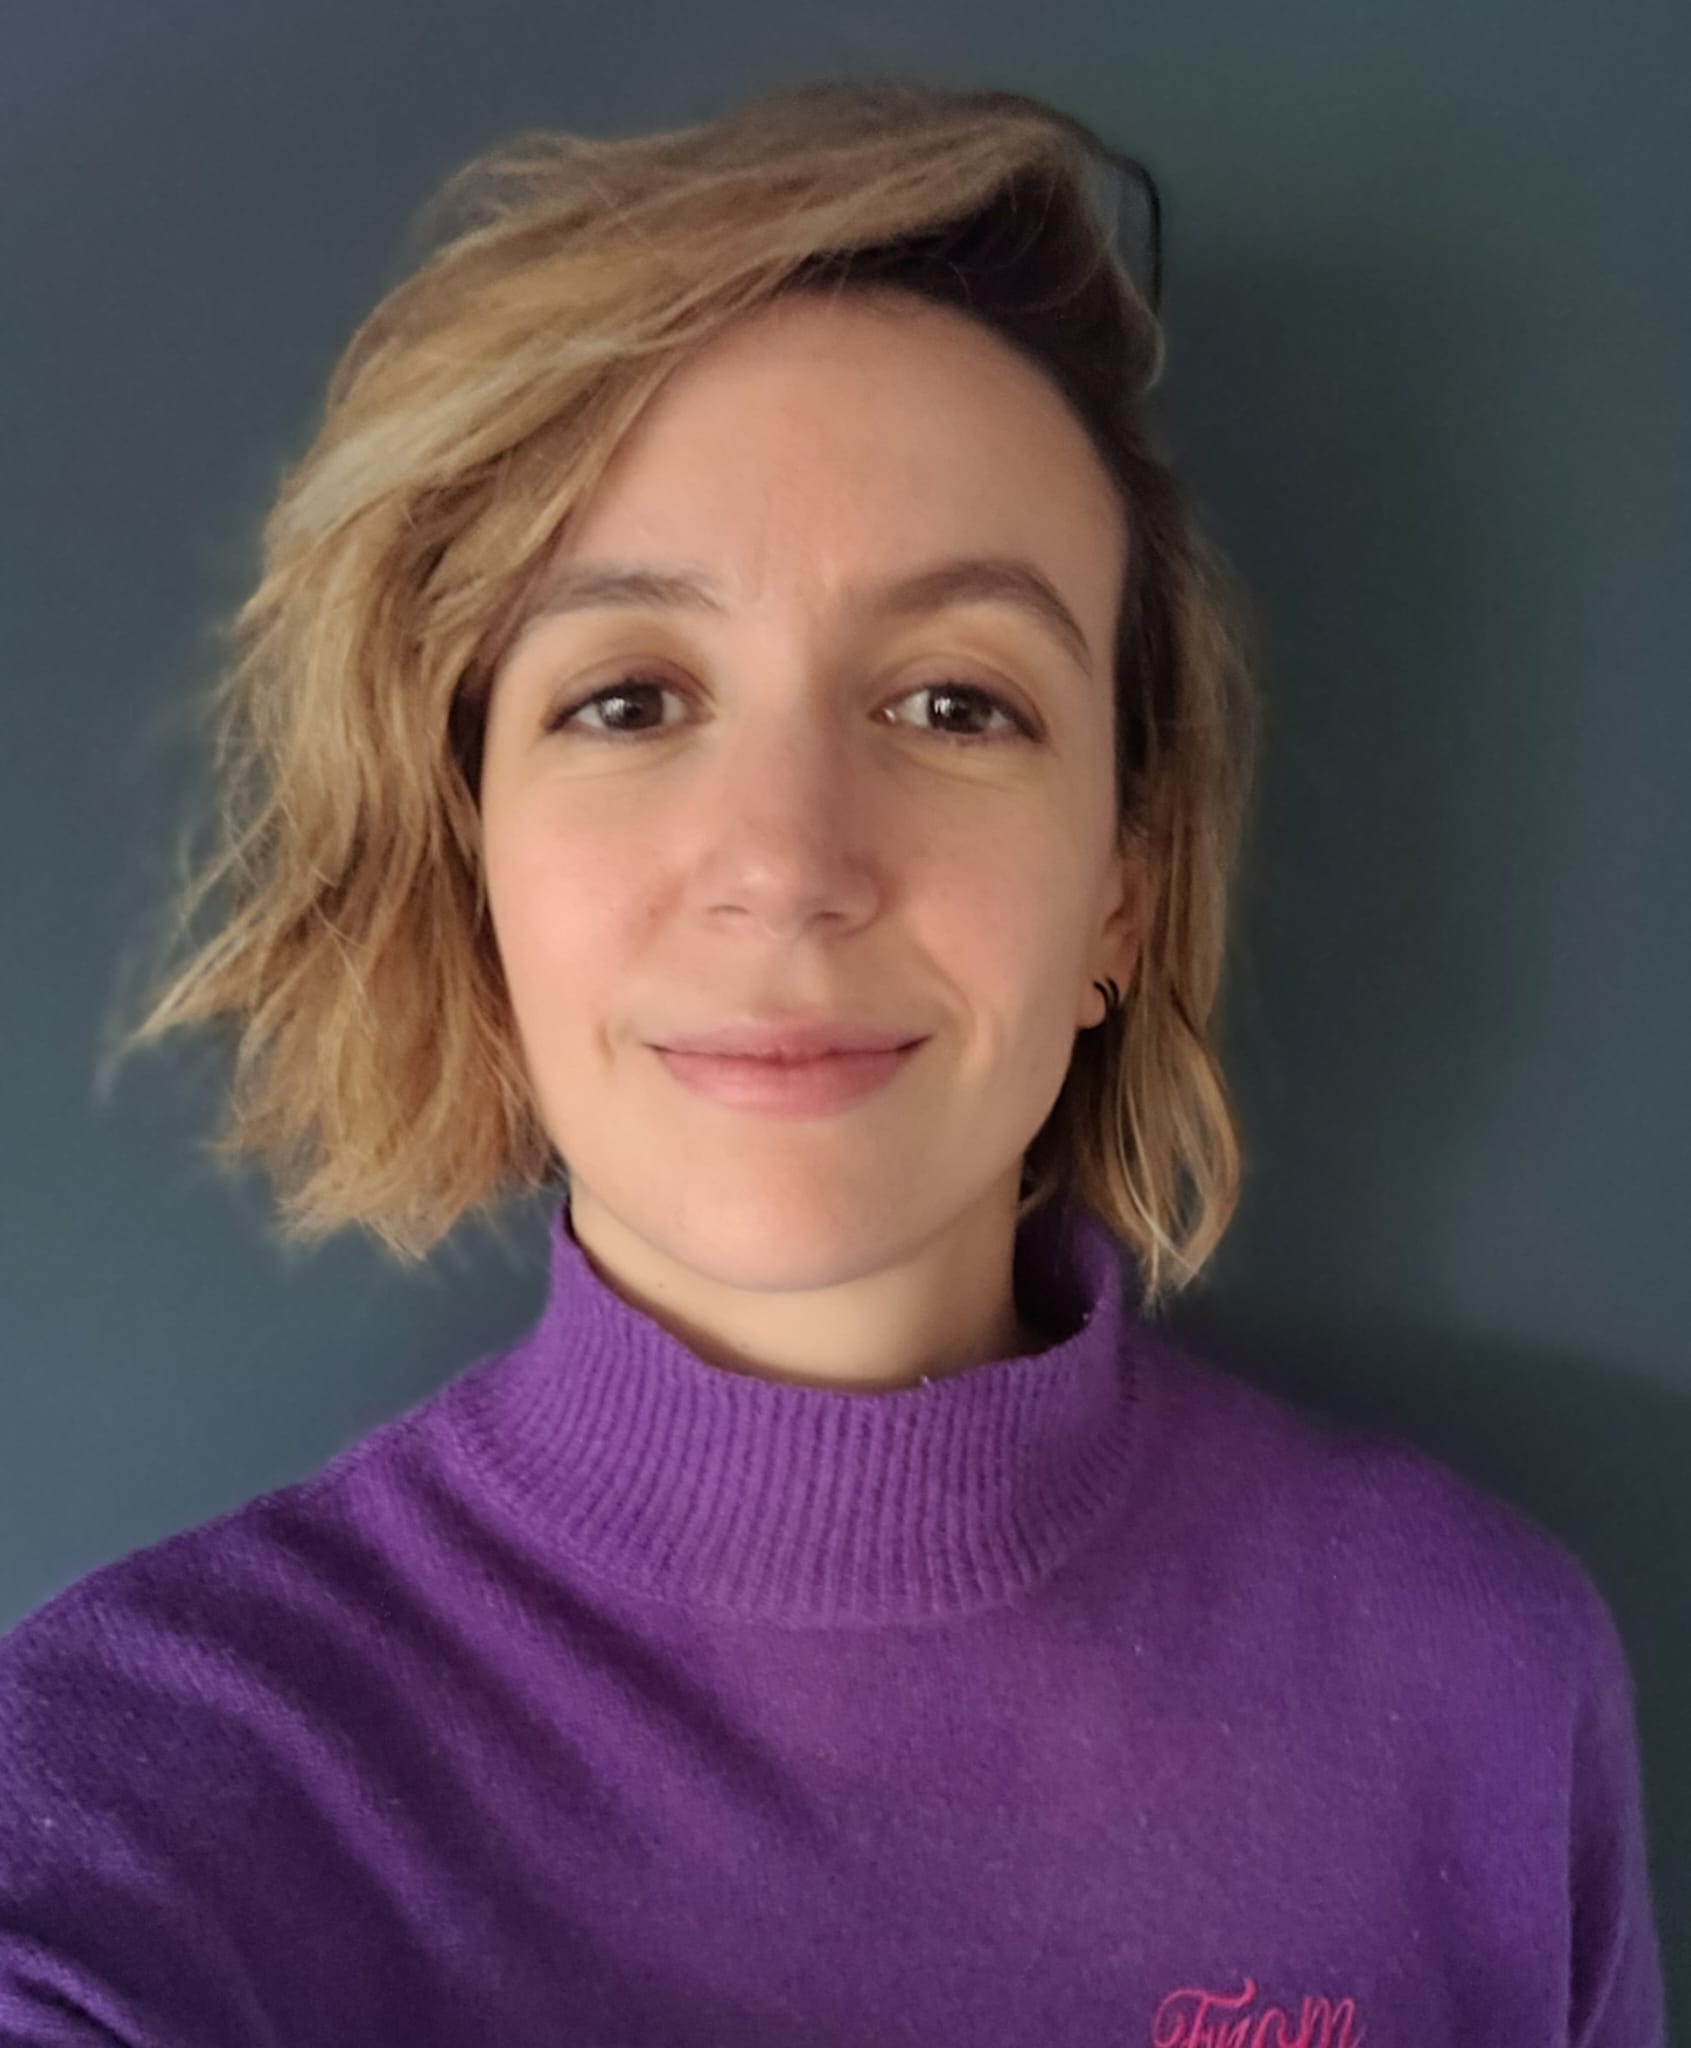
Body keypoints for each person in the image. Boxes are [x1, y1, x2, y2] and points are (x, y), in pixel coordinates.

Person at [0, 75, 1665, 2048]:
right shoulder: (121, 1811)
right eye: (630, 698)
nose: (787, 865)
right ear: (475, 860)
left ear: (1121, 894)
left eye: (955, 703)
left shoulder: (1481, 1690)